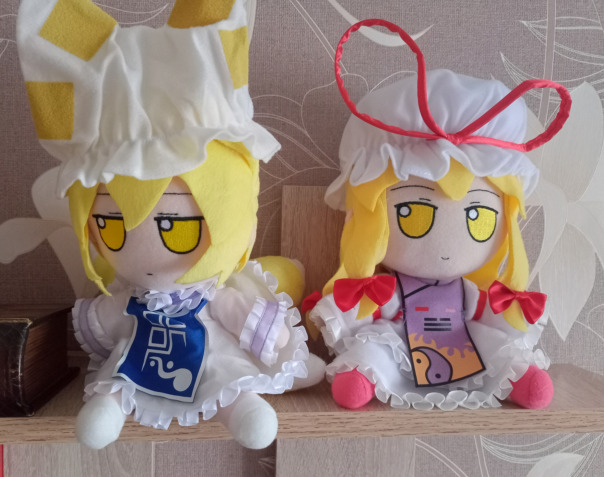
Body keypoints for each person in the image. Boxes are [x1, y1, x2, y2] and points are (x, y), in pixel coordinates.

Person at [310, 20, 571, 412]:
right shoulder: (387, 292)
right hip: (402, 340)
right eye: (412, 214)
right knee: (375, 350)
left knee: (501, 353)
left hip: (463, 343)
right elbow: (370, 311)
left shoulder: (470, 295)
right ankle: (363, 375)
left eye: (479, 217)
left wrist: (510, 320)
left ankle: (519, 379)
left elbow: (489, 315)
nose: (448, 246)